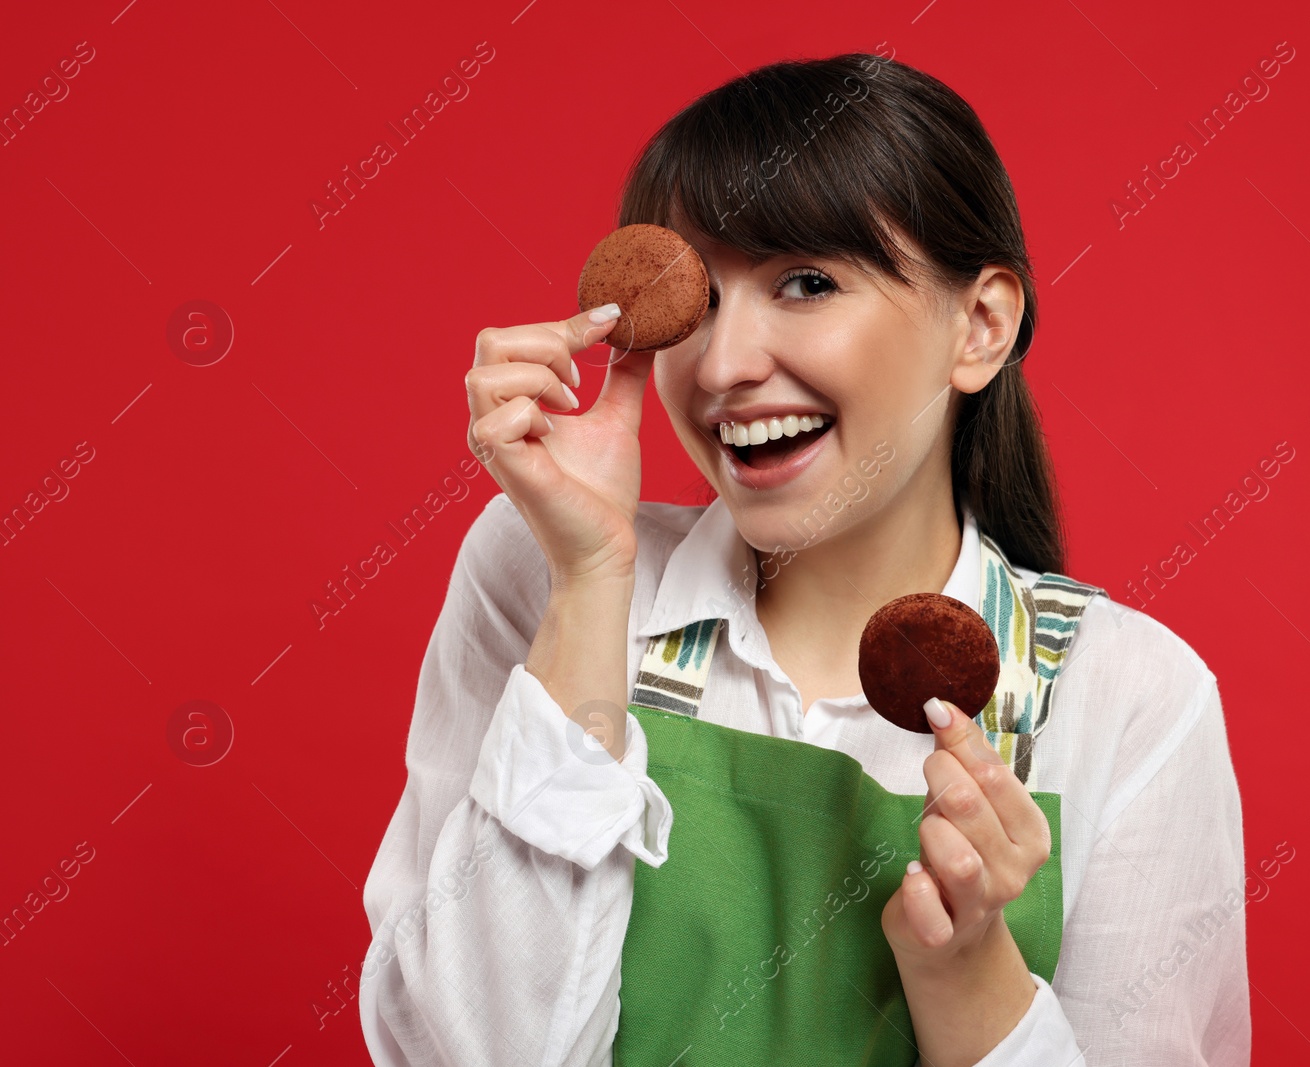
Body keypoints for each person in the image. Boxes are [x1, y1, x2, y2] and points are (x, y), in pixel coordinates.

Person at [359, 51, 1249, 1066]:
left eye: (807, 281)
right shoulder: (543, 570)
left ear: (981, 324)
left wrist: (966, 971)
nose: (725, 365)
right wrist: (594, 584)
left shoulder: (1127, 696)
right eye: (696, 297)